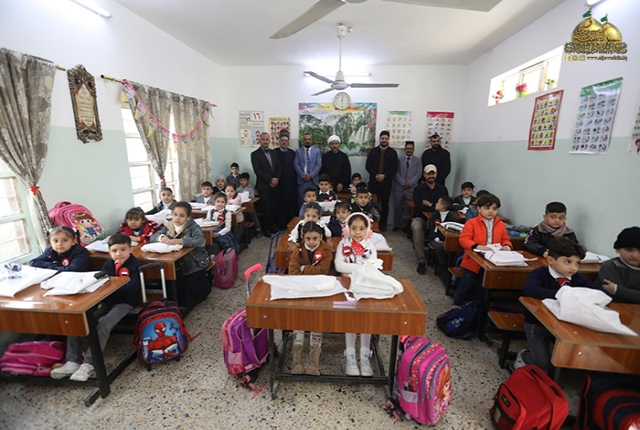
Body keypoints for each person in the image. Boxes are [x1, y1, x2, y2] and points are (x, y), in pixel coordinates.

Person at [50, 234, 141, 381]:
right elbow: (99, 280)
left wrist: (110, 288)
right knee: (77, 321)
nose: (119, 254)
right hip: (106, 301)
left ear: (130, 249)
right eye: (114, 251)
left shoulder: (134, 265)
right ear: (109, 252)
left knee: (103, 325)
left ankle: (89, 364)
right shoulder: (108, 264)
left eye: (123, 250)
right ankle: (72, 361)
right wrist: (106, 288)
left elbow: (132, 288)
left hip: (125, 303)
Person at [516, 237, 606, 371]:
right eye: (568, 262)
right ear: (551, 260)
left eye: (577, 263)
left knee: (575, 357)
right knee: (543, 363)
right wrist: (563, 294)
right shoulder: (540, 273)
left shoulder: (575, 277)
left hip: (564, 325)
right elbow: (530, 289)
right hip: (537, 324)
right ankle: (524, 355)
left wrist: (598, 295)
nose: (573, 268)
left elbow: (598, 291)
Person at [334, 213, 378, 377]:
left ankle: (365, 354)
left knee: (366, 319)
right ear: (347, 229)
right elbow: (338, 265)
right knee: (351, 319)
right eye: (353, 228)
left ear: (367, 230)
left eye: (361, 228)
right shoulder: (343, 244)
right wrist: (361, 268)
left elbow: (373, 267)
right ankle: (350, 354)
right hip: (348, 287)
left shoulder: (370, 246)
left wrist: (352, 269)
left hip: (366, 287)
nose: (357, 232)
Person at [288, 222, 333, 375]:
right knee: (299, 316)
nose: (312, 241)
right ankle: (297, 356)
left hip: (320, 290)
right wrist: (309, 271)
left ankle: (314, 358)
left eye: (315, 238)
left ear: (320, 237)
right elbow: (292, 272)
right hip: (301, 289)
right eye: (308, 238)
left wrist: (303, 269)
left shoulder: (326, 249)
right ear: (303, 238)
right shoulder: (298, 249)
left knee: (316, 318)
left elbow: (323, 270)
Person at [454, 194, 512, 306]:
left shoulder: (500, 224)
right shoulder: (472, 223)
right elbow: (463, 239)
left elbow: (505, 239)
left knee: (483, 284)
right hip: (473, 260)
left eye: (494, 209)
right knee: (467, 283)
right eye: (487, 208)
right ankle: (457, 302)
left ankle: (477, 305)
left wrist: (506, 246)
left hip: (491, 260)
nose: (491, 211)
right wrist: (476, 246)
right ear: (479, 208)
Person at [150, 202, 211, 308]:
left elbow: (200, 240)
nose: (177, 218)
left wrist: (180, 241)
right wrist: (162, 237)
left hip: (193, 262)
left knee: (191, 291)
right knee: (172, 279)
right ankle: (173, 302)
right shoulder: (169, 225)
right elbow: (153, 237)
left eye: (181, 216)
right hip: (175, 261)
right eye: (175, 214)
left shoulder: (193, 227)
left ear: (188, 217)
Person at [411, 164, 449, 275]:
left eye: (433, 173)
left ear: (436, 174)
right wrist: (436, 206)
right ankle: (421, 260)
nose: (431, 176)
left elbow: (446, 205)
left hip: (439, 219)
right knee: (416, 227)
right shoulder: (418, 189)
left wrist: (430, 204)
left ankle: (442, 262)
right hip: (421, 217)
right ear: (424, 175)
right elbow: (419, 206)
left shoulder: (442, 189)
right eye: (428, 174)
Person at [365, 130, 398, 232]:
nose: (384, 140)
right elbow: (368, 166)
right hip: (374, 182)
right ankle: (373, 222)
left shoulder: (393, 153)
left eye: (386, 138)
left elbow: (395, 168)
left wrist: (385, 176)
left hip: (386, 183)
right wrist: (376, 175)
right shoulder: (373, 151)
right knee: (373, 203)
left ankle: (383, 223)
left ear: (388, 140)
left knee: (385, 204)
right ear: (379, 139)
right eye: (382, 138)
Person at [597, 226, 640, 304]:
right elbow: (617, 297)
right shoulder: (611, 266)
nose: (635, 255)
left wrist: (617, 289)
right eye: (629, 250)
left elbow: (617, 292)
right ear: (617, 249)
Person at [251, 132, 281, 236]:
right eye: (263, 139)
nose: (265, 141)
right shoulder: (255, 154)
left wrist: (276, 179)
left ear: (269, 140)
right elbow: (257, 171)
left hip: (275, 185)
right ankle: (266, 228)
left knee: (274, 207)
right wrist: (270, 180)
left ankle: (272, 226)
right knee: (266, 208)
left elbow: (279, 167)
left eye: (267, 139)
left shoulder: (274, 153)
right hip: (263, 185)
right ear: (259, 140)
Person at [393, 141, 422, 232]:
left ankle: (405, 226)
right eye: (407, 148)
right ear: (405, 149)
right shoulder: (399, 159)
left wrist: (410, 183)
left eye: (411, 149)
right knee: (397, 207)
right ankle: (397, 224)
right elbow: (395, 172)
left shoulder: (418, 160)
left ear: (413, 149)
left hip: (411, 188)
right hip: (399, 188)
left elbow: (419, 174)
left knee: (407, 208)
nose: (409, 150)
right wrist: (402, 182)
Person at [427, 196, 458, 280]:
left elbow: (452, 232)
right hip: (435, 238)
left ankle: (448, 267)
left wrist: (446, 241)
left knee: (450, 249)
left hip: (446, 240)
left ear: (442, 207)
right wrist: (437, 239)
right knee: (439, 248)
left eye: (438, 203)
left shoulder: (452, 218)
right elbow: (432, 229)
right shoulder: (435, 215)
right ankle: (442, 266)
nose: (436, 204)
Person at [275, 129, 298, 230]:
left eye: (286, 141)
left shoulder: (292, 153)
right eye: (282, 140)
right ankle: (281, 224)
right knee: (281, 204)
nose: (284, 142)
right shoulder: (274, 153)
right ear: (279, 141)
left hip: (291, 183)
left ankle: (291, 223)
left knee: (291, 204)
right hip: (280, 184)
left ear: (288, 142)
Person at [294, 132, 322, 205]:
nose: (307, 141)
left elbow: (318, 165)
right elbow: (296, 164)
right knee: (302, 201)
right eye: (305, 139)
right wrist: (303, 175)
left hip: (313, 180)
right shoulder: (298, 151)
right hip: (302, 181)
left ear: (312, 141)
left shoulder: (317, 151)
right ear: (303, 141)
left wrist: (311, 175)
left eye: (309, 139)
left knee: (313, 201)